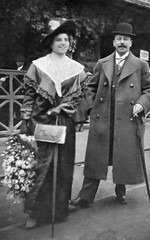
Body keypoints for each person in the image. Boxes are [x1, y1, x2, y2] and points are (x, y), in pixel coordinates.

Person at [70, 22, 150, 208]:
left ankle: (121, 191)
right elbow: (91, 88)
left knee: (122, 156)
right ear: (114, 42)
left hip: (127, 119)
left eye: (126, 39)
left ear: (131, 43)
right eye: (119, 39)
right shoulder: (102, 63)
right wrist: (92, 109)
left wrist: (141, 104)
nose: (122, 42)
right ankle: (85, 197)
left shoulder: (141, 65)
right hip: (103, 119)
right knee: (96, 158)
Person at [20, 18, 88, 229]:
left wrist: (63, 108)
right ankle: (34, 213)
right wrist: (25, 119)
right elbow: (29, 95)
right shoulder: (39, 66)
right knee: (40, 167)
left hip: (64, 123)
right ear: (50, 43)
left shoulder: (76, 69)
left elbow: (79, 98)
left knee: (63, 166)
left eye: (66, 39)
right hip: (40, 120)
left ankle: (58, 211)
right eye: (58, 39)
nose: (63, 43)